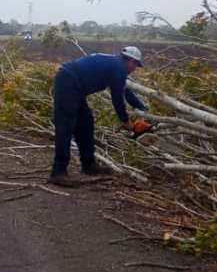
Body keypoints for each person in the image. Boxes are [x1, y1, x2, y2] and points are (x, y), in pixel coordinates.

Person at [48, 46, 148, 188]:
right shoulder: (118, 67)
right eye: (136, 65)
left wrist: (144, 110)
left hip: (74, 85)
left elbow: (127, 92)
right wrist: (126, 121)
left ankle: (89, 165)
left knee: (86, 124)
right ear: (130, 60)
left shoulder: (116, 64)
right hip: (68, 82)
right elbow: (117, 98)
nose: (135, 69)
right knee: (66, 126)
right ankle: (58, 172)